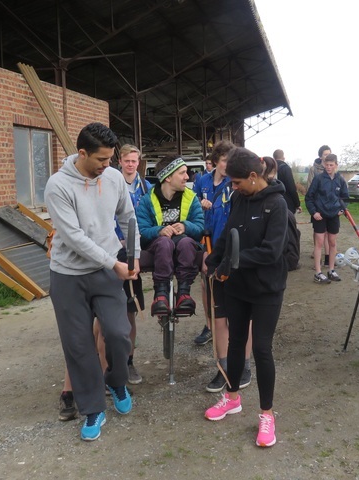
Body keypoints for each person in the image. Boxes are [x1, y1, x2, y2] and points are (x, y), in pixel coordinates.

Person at [45, 122, 140, 441]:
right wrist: (113, 262)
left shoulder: (112, 178)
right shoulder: (58, 186)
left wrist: (134, 253)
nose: (107, 165)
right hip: (68, 275)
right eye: (101, 159)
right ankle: (93, 409)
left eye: (111, 158)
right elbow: (72, 237)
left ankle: (116, 380)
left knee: (118, 333)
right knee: (78, 345)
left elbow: (128, 216)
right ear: (81, 153)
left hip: (107, 270)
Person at [204, 147, 288, 448]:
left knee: (262, 348)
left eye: (237, 182)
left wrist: (234, 260)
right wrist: (215, 259)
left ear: (254, 176)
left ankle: (267, 414)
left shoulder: (277, 204)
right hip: (237, 286)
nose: (232, 187)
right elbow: (228, 233)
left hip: (267, 287)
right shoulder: (239, 197)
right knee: (236, 342)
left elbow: (271, 250)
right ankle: (232, 397)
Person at [194, 140, 253, 392]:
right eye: (224, 160)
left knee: (240, 316)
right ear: (216, 160)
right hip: (209, 249)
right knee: (218, 314)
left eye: (231, 161)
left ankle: (245, 367)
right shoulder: (203, 182)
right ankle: (223, 367)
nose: (227, 165)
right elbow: (191, 208)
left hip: (234, 253)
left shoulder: (237, 186)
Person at [136, 155, 204, 316]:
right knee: (164, 243)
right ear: (168, 177)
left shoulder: (191, 197)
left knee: (186, 243)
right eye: (182, 173)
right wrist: (159, 231)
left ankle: (184, 292)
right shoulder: (147, 200)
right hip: (158, 245)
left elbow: (200, 227)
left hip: (184, 244)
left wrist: (186, 226)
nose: (187, 177)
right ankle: (161, 294)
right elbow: (142, 231)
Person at [116, 144, 151, 384]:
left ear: (139, 162)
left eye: (134, 161)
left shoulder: (146, 188)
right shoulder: (109, 184)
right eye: (127, 160)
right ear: (119, 161)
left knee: (130, 310)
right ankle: (108, 364)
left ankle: (128, 362)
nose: (130, 164)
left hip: (133, 254)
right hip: (112, 251)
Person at [305, 153, 348, 284]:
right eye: (327, 165)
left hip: (334, 215)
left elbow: (345, 197)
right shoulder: (318, 179)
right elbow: (309, 197)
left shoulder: (340, 179)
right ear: (323, 164)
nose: (328, 167)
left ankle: (331, 270)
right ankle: (318, 272)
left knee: (332, 243)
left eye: (331, 165)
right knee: (319, 242)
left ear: (336, 165)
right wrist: (314, 212)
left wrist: (342, 208)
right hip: (320, 215)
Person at [307, 145, 331, 266]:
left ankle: (328, 258)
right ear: (321, 156)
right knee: (318, 233)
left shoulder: (332, 169)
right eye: (325, 154)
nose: (327, 156)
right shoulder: (314, 169)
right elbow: (310, 188)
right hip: (317, 206)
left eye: (329, 154)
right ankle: (318, 257)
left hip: (329, 207)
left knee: (328, 233)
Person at [272, 149, 301, 214]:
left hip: (272, 202)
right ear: (283, 158)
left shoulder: (270, 168)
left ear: (273, 158)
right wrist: (297, 204)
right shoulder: (286, 168)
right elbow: (291, 188)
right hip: (287, 203)